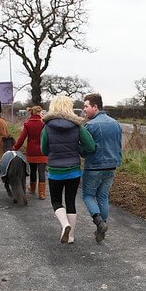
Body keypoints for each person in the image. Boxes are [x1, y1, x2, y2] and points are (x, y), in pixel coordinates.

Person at [40, 95, 95, 243]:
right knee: (70, 202)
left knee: (56, 201)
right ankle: (70, 237)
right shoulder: (77, 126)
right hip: (74, 171)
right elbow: (90, 146)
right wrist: (76, 148)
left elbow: (44, 150)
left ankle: (65, 225)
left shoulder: (47, 126)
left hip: (55, 171)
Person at [81, 93, 122, 243]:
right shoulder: (116, 123)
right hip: (112, 166)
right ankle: (101, 228)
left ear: (95, 106)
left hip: (94, 166)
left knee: (88, 195)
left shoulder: (90, 126)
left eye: (86, 106)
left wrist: (79, 151)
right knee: (103, 197)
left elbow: (86, 150)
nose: (84, 109)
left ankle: (99, 222)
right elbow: (118, 145)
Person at [13, 105, 48, 199]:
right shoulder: (44, 124)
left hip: (31, 151)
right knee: (41, 172)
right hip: (42, 151)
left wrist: (15, 147)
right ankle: (42, 193)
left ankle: (32, 189)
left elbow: (21, 138)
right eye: (41, 112)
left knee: (33, 170)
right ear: (38, 113)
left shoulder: (27, 124)